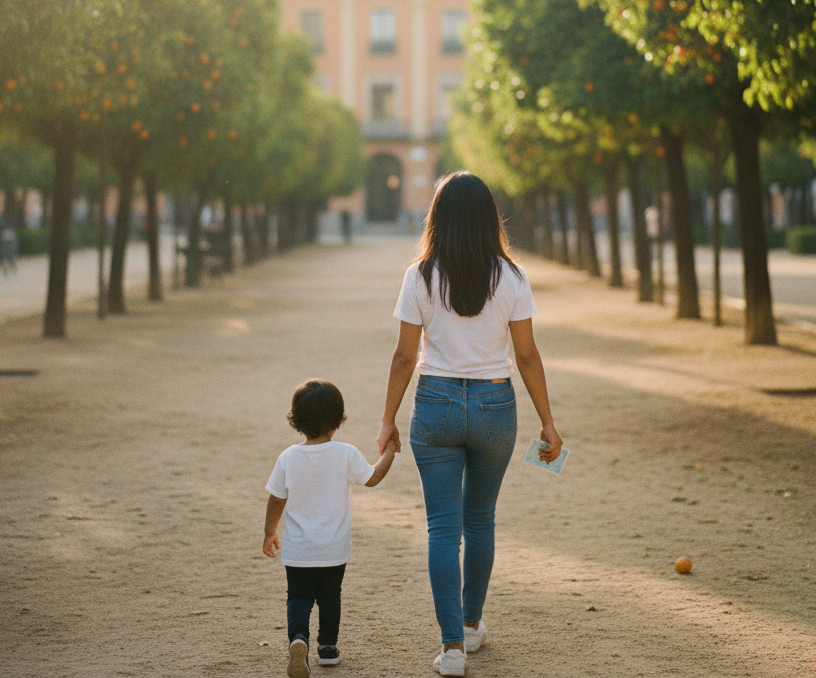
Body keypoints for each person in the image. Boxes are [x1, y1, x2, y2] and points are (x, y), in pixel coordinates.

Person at [378, 172, 563, 676]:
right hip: (493, 407)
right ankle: (475, 624)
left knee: (443, 528)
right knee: (481, 519)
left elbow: (402, 356)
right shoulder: (513, 277)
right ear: (489, 217)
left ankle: (453, 647)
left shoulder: (419, 275)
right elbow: (526, 355)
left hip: (435, 404)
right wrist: (548, 422)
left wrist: (388, 419)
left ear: (436, 217)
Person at [263, 379, 397, 678]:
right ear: (339, 420)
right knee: (330, 595)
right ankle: (327, 648)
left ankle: (298, 639)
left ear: (296, 421)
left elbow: (276, 498)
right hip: (334, 548)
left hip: (299, 549)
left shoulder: (288, 457)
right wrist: (389, 451)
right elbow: (372, 478)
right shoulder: (345, 453)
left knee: (298, 596)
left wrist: (270, 531)